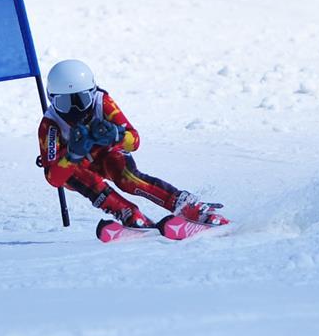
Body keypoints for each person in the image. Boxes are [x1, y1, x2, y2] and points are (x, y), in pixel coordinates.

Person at [37, 59, 228, 228]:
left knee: (127, 177)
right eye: (64, 103)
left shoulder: (102, 103)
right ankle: (127, 213)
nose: (75, 109)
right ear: (51, 99)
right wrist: (72, 155)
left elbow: (134, 141)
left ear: (92, 92)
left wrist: (116, 135)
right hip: (79, 166)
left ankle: (186, 205)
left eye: (81, 100)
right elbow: (54, 178)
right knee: (78, 176)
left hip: (106, 155)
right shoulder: (50, 125)